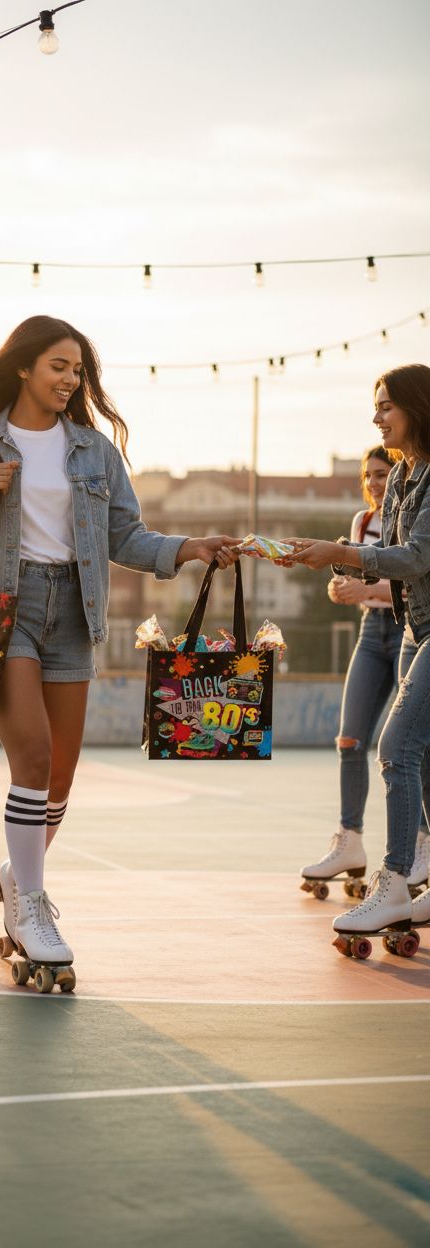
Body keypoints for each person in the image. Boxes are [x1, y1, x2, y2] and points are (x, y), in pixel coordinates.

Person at [0, 314, 240, 983]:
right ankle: (30, 908)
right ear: (25, 368)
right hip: (5, 611)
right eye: (59, 366)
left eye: (78, 370)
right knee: (31, 755)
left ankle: (16, 875)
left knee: (60, 776)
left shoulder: (94, 451)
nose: (70, 380)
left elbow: (127, 536)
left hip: (74, 610)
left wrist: (188, 548)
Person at [291, 363, 430, 936]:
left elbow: (417, 557)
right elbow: (391, 556)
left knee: (396, 748)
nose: (376, 418)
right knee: (422, 761)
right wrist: (319, 550)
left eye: (386, 407)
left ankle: (395, 882)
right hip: (413, 629)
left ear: (417, 409)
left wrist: (341, 555)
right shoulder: (400, 478)